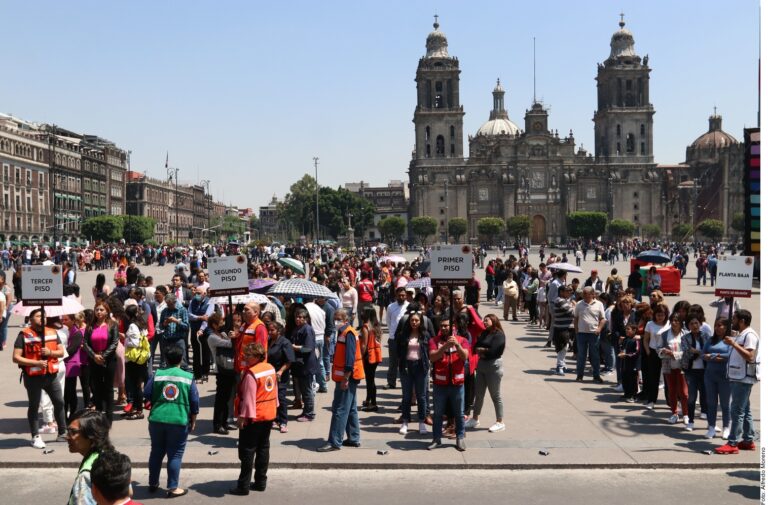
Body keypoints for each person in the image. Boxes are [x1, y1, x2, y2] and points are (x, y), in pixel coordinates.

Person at [144, 345, 199, 497]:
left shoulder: (158, 374)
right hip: (179, 420)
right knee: (175, 455)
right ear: (181, 359)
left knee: (156, 452)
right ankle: (172, 487)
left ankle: (153, 483)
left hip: (156, 419)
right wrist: (193, 419)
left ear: (166, 359)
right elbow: (194, 401)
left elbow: (147, 393)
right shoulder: (188, 377)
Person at [12, 308, 67, 448]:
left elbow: (61, 352)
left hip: (51, 375)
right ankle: (35, 436)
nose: (42, 318)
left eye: (44, 316)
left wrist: (50, 352)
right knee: (34, 405)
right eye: (38, 316)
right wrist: (35, 363)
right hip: (33, 377)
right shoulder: (24, 335)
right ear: (30, 319)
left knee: (59, 402)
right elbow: (16, 357)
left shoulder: (53, 332)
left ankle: (63, 432)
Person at [229, 342, 277, 495]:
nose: (245, 357)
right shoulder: (270, 367)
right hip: (268, 414)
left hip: (254, 417)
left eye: (248, 355)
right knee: (263, 448)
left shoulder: (251, 374)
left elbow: (248, 398)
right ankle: (261, 481)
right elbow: (274, 392)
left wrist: (242, 418)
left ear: (257, 356)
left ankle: (243, 486)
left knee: (247, 451)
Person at [318, 309, 364, 452]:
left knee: (340, 409)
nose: (335, 321)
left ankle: (334, 442)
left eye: (338, 319)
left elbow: (350, 358)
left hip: (347, 377)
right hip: (347, 376)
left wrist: (345, 378)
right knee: (350, 409)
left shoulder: (348, 333)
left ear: (346, 320)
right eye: (335, 319)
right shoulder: (343, 332)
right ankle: (353, 438)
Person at [715, 309, 759, 454]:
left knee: (737, 411)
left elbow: (750, 356)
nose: (731, 321)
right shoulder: (742, 334)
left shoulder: (750, 335)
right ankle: (748, 440)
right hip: (738, 377)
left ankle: (732, 442)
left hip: (743, 378)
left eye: (734, 319)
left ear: (742, 321)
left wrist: (734, 344)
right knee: (744, 410)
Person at [427, 315, 470, 451]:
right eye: (442, 326)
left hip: (457, 384)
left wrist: (456, 345)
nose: (444, 328)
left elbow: (465, 357)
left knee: (459, 413)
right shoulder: (434, 341)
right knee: (438, 413)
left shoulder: (462, 340)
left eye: (447, 325)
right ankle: (436, 438)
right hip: (440, 384)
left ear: (453, 327)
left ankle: (460, 437)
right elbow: (433, 357)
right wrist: (445, 346)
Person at [466, 314, 505, 432]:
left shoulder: (499, 335)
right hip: (482, 365)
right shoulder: (484, 333)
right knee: (479, 394)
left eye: (487, 320)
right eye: (484, 320)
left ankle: (500, 421)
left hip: (493, 367)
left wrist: (483, 350)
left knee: (495, 395)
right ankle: (475, 418)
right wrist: (483, 350)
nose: (484, 322)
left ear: (494, 320)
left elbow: (494, 351)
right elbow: (476, 346)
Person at [67, 410, 114, 505]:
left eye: (73, 432)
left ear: (91, 435)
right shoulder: (112, 457)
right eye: (68, 431)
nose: (67, 437)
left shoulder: (87, 474)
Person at [396, 310, 431, 435]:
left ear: (421, 322)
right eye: (412, 320)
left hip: (421, 367)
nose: (414, 322)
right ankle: (405, 421)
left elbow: (430, 351)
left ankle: (421, 422)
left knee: (421, 396)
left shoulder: (425, 335)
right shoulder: (403, 335)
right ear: (409, 321)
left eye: (417, 320)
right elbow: (398, 351)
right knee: (406, 396)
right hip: (407, 367)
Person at [206, 313, 237, 434]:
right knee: (221, 399)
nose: (223, 323)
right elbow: (229, 344)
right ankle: (217, 424)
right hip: (221, 370)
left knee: (227, 397)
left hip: (229, 369)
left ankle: (224, 423)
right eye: (220, 321)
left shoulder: (222, 333)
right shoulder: (212, 337)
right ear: (214, 324)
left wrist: (230, 335)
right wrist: (234, 337)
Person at [702, 318, 732, 439]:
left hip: (725, 376)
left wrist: (713, 356)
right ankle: (711, 427)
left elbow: (729, 356)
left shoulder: (730, 341)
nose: (717, 328)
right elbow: (703, 354)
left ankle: (726, 427)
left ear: (726, 327)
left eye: (720, 325)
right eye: (716, 326)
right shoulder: (710, 340)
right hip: (710, 376)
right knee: (711, 403)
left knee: (725, 404)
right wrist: (711, 357)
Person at [658, 314, 688, 425]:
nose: (674, 323)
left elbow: (687, 351)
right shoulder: (665, 334)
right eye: (672, 320)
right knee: (672, 391)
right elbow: (658, 348)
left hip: (682, 367)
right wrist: (663, 351)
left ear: (681, 323)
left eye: (677, 321)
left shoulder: (686, 334)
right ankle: (674, 413)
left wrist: (674, 354)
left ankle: (686, 414)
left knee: (684, 393)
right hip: (668, 366)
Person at [266, 321, 295, 433]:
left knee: (281, 398)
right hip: (269, 375)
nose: (270, 332)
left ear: (278, 331)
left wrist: (280, 371)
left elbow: (289, 361)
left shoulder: (285, 342)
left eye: (272, 330)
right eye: (269, 330)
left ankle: (283, 422)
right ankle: (274, 418)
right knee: (271, 398)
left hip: (280, 375)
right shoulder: (268, 341)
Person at [290, 308, 318, 422]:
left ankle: (309, 413)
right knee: (303, 389)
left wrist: (294, 347)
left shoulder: (307, 329)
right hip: (299, 364)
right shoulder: (297, 328)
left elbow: (308, 348)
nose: (298, 319)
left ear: (306, 319)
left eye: (301, 317)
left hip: (306, 365)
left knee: (307, 391)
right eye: (297, 316)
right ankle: (306, 411)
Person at [573, 286, 606, 383]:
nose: (584, 296)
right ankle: (579, 375)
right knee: (581, 355)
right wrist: (576, 331)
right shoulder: (579, 304)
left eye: (586, 294)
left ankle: (596, 376)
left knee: (595, 355)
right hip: (581, 334)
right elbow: (576, 318)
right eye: (583, 294)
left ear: (593, 294)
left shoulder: (599, 304)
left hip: (594, 334)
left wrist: (599, 329)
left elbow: (603, 319)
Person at [681, 314, 707, 431]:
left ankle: (709, 422)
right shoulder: (685, 338)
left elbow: (709, 351)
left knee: (705, 395)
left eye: (696, 323)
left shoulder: (706, 336)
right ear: (688, 326)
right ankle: (690, 421)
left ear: (700, 324)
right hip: (691, 371)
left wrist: (696, 351)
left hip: (705, 370)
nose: (694, 325)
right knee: (691, 398)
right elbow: (687, 353)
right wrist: (700, 353)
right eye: (691, 324)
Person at [123, 304, 149, 420]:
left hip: (134, 360)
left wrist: (125, 339)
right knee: (136, 385)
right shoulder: (141, 324)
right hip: (140, 359)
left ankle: (139, 411)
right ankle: (135, 408)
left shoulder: (133, 326)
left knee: (135, 386)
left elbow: (135, 343)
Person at [63, 312, 90, 421]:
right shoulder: (66, 331)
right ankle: (67, 414)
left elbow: (72, 349)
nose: (63, 322)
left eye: (65, 320)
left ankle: (74, 412)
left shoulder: (77, 333)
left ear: (73, 321)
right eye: (62, 319)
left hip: (73, 364)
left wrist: (57, 353)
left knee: (72, 390)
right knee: (67, 391)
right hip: (67, 363)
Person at [359, 305, 382, 412]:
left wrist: (359, 357)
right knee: (371, 379)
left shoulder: (365, 327)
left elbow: (363, 345)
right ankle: (368, 400)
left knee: (370, 381)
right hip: (375, 355)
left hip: (368, 356)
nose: (361, 313)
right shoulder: (375, 325)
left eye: (363, 311)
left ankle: (373, 404)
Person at [158, 294, 189, 369]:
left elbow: (186, 326)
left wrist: (177, 321)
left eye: (170, 304)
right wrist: (164, 324)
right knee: (168, 362)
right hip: (167, 340)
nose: (168, 306)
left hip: (178, 340)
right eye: (167, 304)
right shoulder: (164, 311)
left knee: (182, 363)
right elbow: (160, 326)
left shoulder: (182, 310)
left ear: (174, 302)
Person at [385, 287, 408, 389]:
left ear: (406, 296)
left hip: (406, 338)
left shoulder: (409, 306)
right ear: (396, 296)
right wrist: (392, 333)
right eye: (399, 295)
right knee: (393, 361)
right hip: (393, 337)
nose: (401, 297)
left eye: (403, 295)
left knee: (405, 362)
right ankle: (391, 382)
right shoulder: (390, 307)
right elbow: (388, 321)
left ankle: (406, 383)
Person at [617, 323, 640, 401]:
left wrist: (626, 355)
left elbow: (636, 352)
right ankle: (627, 394)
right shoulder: (626, 339)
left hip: (633, 364)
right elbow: (622, 349)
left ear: (634, 330)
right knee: (625, 378)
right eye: (626, 329)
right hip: (625, 364)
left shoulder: (636, 340)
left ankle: (633, 396)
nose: (626, 330)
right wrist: (620, 344)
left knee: (632, 380)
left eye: (628, 329)